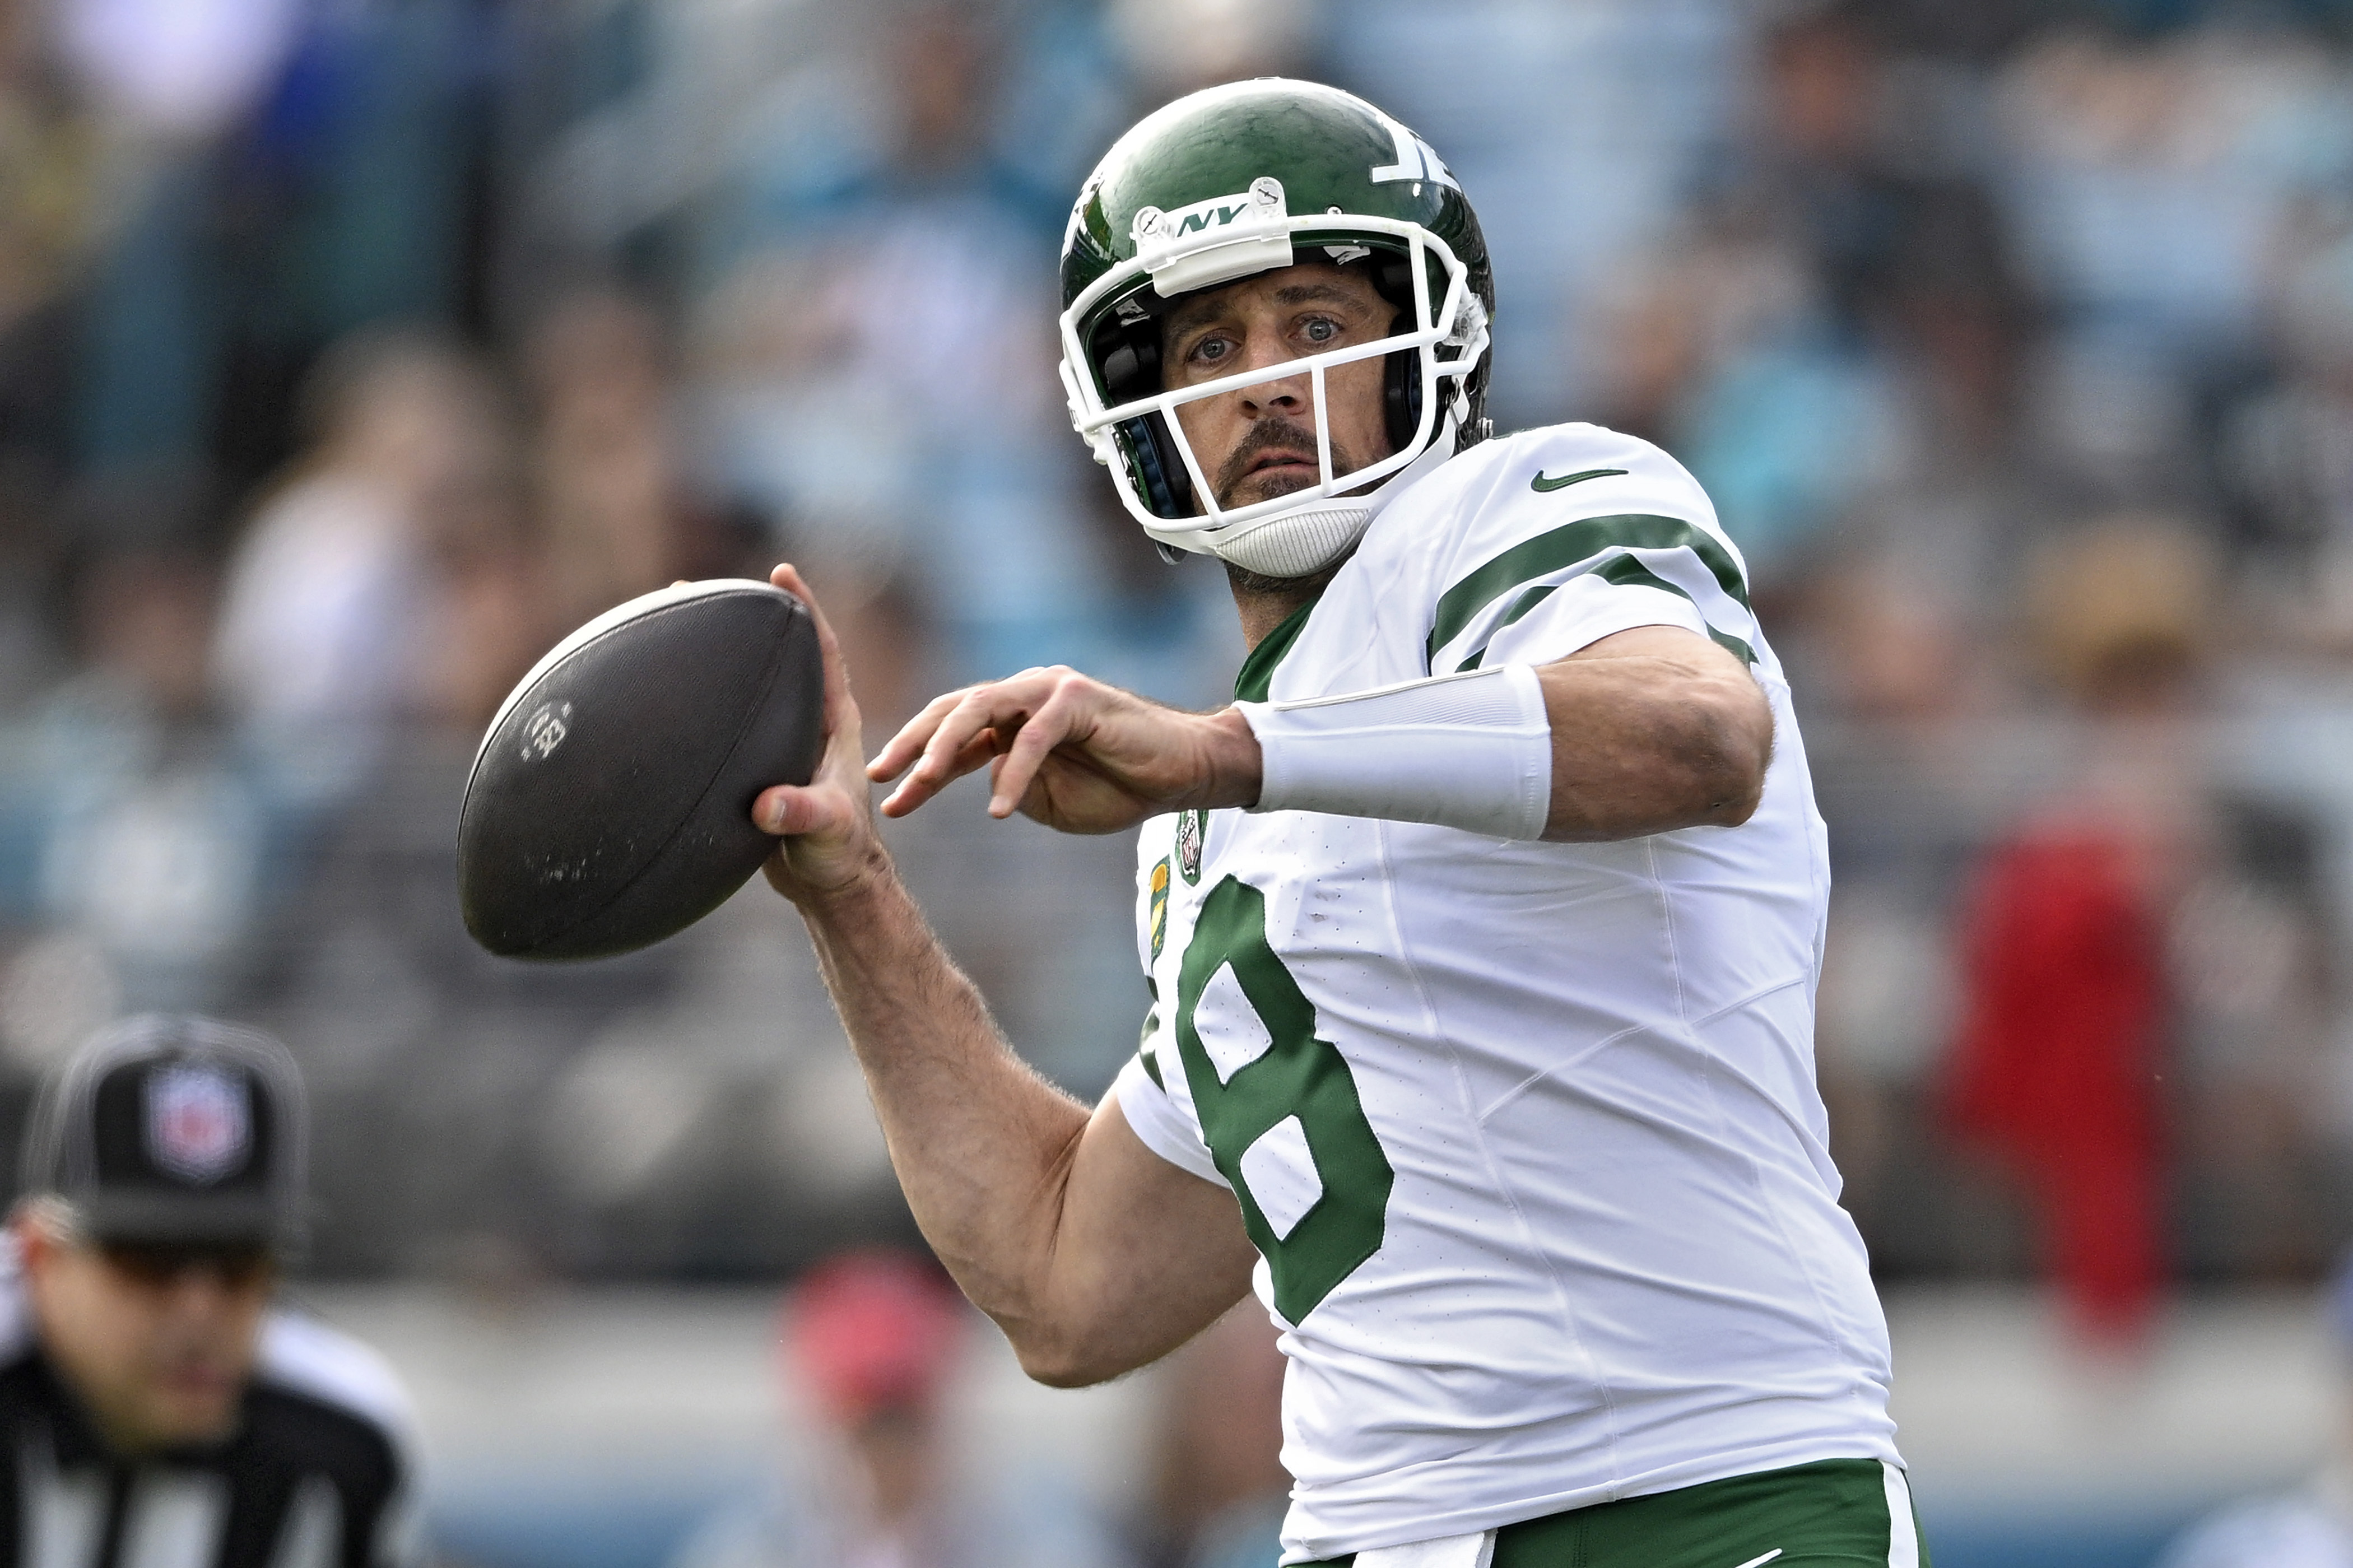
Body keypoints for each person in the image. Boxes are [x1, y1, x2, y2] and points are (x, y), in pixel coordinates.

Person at [750, 80, 1921, 1567]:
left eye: (1312, 324)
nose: (1259, 384)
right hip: (1371, 1530)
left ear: (1428, 337)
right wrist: (852, 894)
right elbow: (1067, 1282)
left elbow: (1699, 730)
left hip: (1700, 1489)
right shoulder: (1203, 817)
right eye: (1208, 346)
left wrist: (1226, 750)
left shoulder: (1522, 507)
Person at [1, 1014, 422, 1566]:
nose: (200, 1311)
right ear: (38, 1254)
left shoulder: (344, 1443)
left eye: (239, 1265)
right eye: (147, 1262)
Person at [668, 1249, 1132, 1568]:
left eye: (907, 1424)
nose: (888, 1459)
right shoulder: (752, 1550)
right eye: (867, 1428)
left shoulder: (1041, 1542)